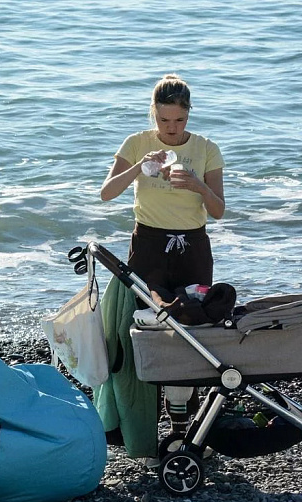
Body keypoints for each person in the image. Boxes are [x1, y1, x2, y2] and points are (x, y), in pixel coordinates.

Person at [96, 74, 225, 463]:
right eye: (164, 121)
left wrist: (198, 187)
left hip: (193, 249)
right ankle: (143, 436)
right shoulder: (137, 143)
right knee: (149, 335)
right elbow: (106, 193)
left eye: (179, 121)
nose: (171, 130)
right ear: (153, 114)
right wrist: (139, 167)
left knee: (191, 334)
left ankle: (185, 435)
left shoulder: (206, 149)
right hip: (148, 248)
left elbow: (218, 210)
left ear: (189, 115)